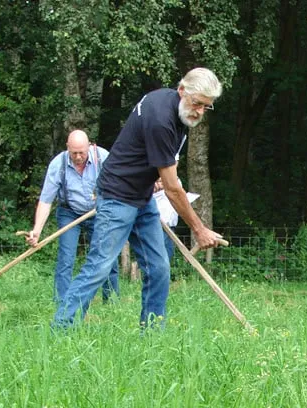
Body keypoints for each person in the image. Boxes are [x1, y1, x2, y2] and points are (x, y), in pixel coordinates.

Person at [53, 67, 223, 329]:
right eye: (197, 103)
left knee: (158, 269)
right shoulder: (161, 119)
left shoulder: (176, 112)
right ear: (182, 91)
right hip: (117, 196)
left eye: (206, 107)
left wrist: (155, 177)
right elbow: (172, 188)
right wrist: (199, 229)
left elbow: (155, 158)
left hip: (142, 199)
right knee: (99, 266)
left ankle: (153, 334)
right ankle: (62, 328)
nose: (199, 111)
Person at [26, 130, 119, 305]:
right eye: (74, 152)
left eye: (81, 152)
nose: (78, 157)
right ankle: (62, 302)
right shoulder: (58, 164)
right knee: (66, 258)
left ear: (89, 146)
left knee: (106, 255)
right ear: (67, 148)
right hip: (69, 212)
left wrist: (104, 197)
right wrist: (37, 231)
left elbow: (119, 184)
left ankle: (111, 300)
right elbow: (46, 200)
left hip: (98, 212)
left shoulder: (103, 157)